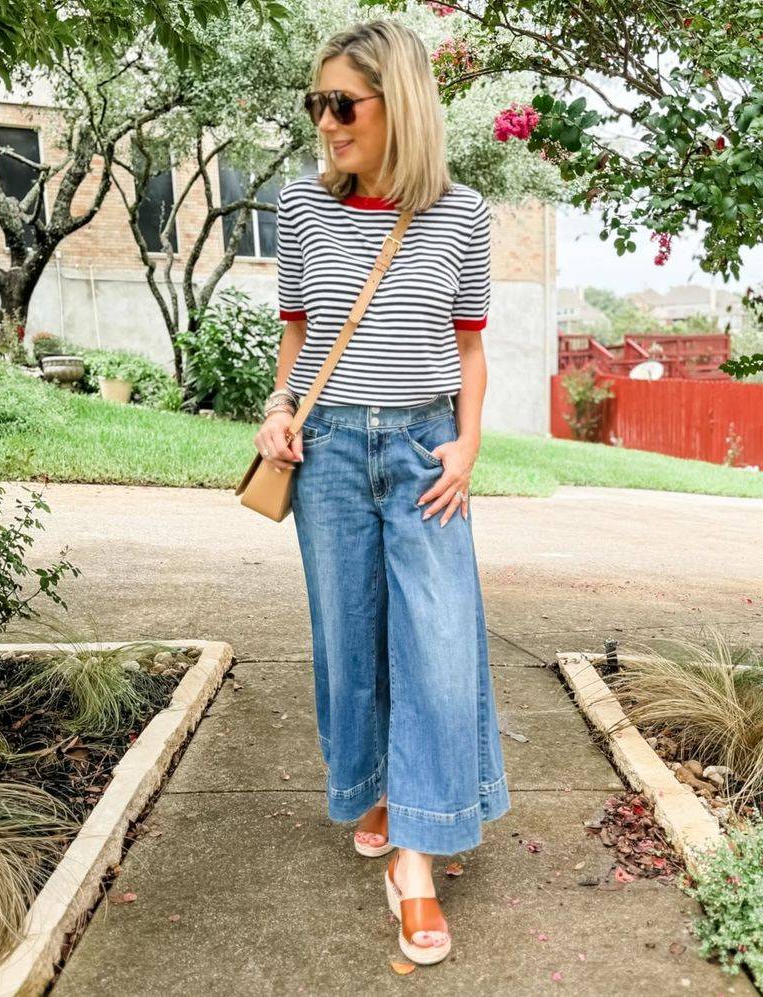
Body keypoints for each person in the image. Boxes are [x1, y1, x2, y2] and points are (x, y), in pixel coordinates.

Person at [253, 18, 511, 966]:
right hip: (323, 452)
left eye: (342, 104)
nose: (325, 122)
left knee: (438, 645)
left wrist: (468, 444)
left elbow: (471, 347)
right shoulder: (303, 209)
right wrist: (278, 408)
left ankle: (417, 860)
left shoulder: (463, 214)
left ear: (397, 103)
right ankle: (375, 789)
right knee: (348, 637)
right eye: (316, 103)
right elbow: (300, 334)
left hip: (421, 449)